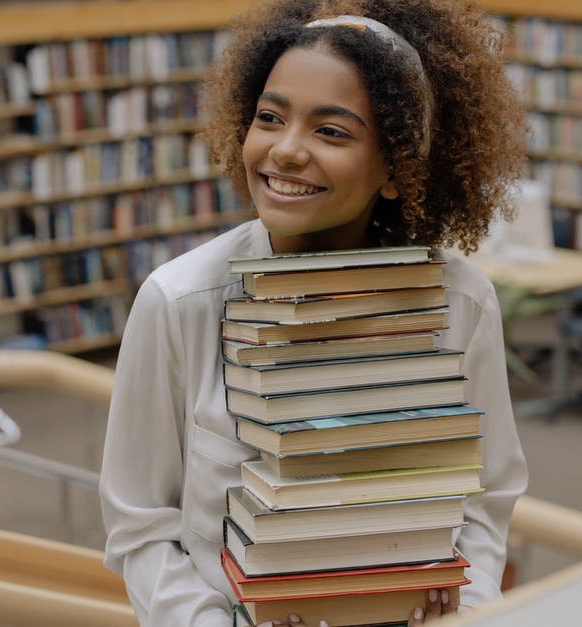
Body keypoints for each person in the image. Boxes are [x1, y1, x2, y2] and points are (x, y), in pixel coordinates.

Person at [99, 1, 529, 625]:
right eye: (269, 118)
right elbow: (140, 530)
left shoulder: (461, 302)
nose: (286, 151)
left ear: (395, 167)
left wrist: (465, 610)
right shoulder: (178, 303)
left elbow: (487, 500)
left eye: (331, 131)